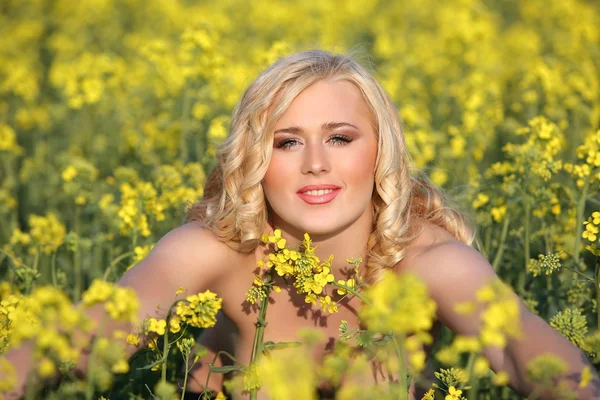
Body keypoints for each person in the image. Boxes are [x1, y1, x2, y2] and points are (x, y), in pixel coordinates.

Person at [4, 50, 599, 399]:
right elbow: (71, 346)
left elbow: (540, 365)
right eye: (287, 142)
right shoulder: (214, 251)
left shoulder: (431, 265)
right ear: (256, 160)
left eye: (340, 138)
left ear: (380, 152)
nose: (317, 163)